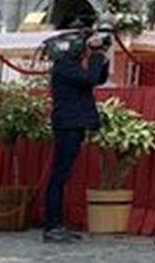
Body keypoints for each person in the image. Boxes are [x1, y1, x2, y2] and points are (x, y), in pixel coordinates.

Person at [43, 25, 111, 243]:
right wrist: (97, 53)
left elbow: (97, 79)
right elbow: (89, 79)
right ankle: (52, 226)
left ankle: (57, 225)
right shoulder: (63, 66)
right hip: (67, 125)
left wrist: (102, 56)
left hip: (74, 124)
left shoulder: (71, 66)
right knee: (58, 176)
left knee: (63, 175)